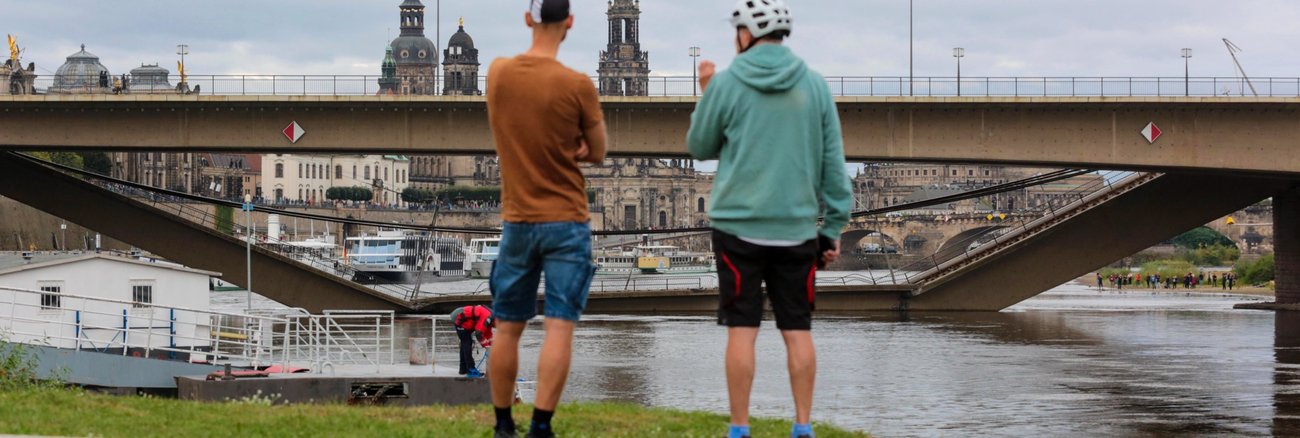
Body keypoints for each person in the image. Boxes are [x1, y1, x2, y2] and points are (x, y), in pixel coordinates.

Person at [686, 1, 852, 437]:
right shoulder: (814, 86)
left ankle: (739, 428)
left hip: (737, 228)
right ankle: (803, 426)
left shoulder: (726, 84)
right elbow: (832, 165)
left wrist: (706, 89)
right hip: (796, 228)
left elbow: (701, 146)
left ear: (745, 34)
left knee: (742, 330)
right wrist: (832, 228)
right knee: (797, 329)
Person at [484, 1, 606, 436]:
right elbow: (598, 151)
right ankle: (541, 425)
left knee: (507, 325)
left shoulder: (497, 73)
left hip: (517, 219)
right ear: (569, 22)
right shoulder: (578, 84)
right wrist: (573, 147)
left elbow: (503, 124)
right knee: (559, 325)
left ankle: (503, 425)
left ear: (527, 18)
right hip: (567, 220)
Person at [450, 304, 494, 375]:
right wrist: (486, 346)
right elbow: (478, 333)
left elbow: (488, 333)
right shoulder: (487, 317)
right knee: (467, 344)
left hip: (465, 321)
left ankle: (463, 369)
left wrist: (492, 347)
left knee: (464, 345)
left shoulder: (491, 319)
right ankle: (471, 370)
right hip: (460, 319)